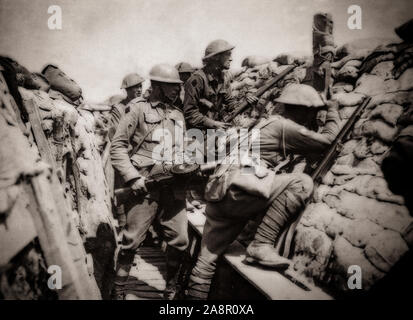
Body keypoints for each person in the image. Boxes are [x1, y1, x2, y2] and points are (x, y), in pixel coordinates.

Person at [186, 84, 340, 300]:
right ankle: (261, 244)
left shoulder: (260, 122)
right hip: (242, 191)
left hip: (220, 193)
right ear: (302, 110)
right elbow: (328, 142)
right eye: (311, 112)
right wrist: (332, 111)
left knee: (206, 259)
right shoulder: (284, 126)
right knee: (301, 183)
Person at [110, 64, 188, 300]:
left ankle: (171, 290)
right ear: (156, 86)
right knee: (131, 242)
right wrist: (133, 178)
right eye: (172, 86)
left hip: (173, 188)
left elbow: (182, 149)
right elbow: (118, 146)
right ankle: (119, 290)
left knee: (181, 241)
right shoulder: (136, 110)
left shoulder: (177, 114)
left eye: (178, 86)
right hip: (145, 187)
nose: (177, 90)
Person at [183, 39, 257, 132]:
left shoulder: (223, 78)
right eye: (228, 54)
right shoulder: (197, 79)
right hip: (197, 132)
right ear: (216, 57)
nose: (231, 59)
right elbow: (190, 113)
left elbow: (231, 105)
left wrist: (247, 103)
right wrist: (213, 124)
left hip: (216, 129)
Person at [109, 73, 145, 139]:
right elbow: (115, 136)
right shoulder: (119, 109)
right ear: (127, 89)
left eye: (140, 86)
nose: (139, 90)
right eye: (136, 87)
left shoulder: (145, 105)